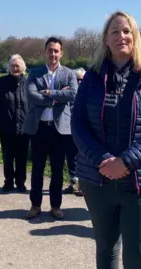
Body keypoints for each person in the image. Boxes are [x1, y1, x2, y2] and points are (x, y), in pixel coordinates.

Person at [71, 11, 141, 269]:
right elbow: (78, 123)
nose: (121, 36)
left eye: (126, 31)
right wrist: (103, 159)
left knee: (137, 258)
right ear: (106, 39)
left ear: (135, 37)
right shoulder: (92, 76)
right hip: (98, 179)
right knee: (106, 252)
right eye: (114, 31)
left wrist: (126, 161)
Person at [22, 36, 78, 220]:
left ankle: (55, 206)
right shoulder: (35, 73)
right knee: (37, 169)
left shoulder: (69, 74)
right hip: (39, 128)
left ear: (61, 53)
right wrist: (57, 98)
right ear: (45, 52)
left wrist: (49, 94)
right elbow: (31, 97)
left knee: (57, 170)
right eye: (50, 50)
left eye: (56, 50)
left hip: (60, 130)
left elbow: (72, 94)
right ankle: (35, 205)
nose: (53, 54)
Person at [0, 54, 29, 192]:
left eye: (17, 66)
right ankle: (8, 182)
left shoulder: (28, 83)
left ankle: (20, 182)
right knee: (8, 156)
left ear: (22, 67)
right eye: (12, 65)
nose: (14, 68)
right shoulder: (2, 82)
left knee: (22, 157)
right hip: (6, 127)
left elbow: (33, 104)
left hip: (24, 127)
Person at [63, 67, 85, 196]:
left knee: (83, 158)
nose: (79, 82)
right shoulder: (68, 92)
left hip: (83, 132)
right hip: (69, 130)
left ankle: (82, 185)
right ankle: (73, 183)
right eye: (77, 80)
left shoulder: (89, 93)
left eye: (82, 80)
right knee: (71, 158)